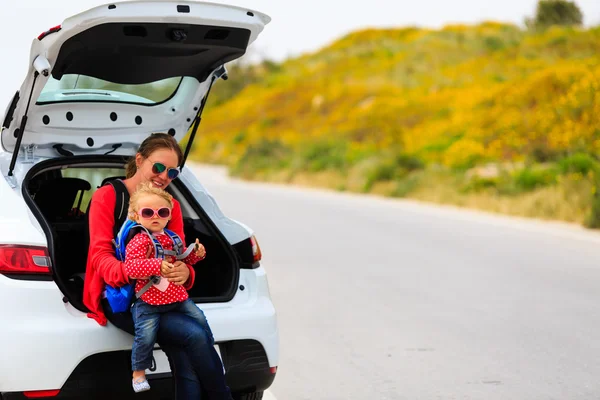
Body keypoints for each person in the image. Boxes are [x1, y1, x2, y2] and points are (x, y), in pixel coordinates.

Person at [83, 133, 233, 399]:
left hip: (162, 295)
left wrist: (186, 272)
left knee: (184, 350)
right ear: (140, 160)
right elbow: (100, 257)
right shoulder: (108, 197)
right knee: (194, 335)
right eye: (159, 167)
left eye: (172, 172)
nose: (164, 176)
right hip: (124, 297)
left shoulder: (170, 205)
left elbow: (177, 255)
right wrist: (141, 269)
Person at [124, 182, 211, 392]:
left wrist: (196, 253)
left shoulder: (171, 238)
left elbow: (182, 258)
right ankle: (138, 374)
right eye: (148, 212)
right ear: (136, 216)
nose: (155, 216)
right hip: (149, 301)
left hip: (176, 296)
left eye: (162, 212)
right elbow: (131, 267)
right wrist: (156, 265)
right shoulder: (140, 240)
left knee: (200, 319)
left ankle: (207, 351)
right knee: (145, 337)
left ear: (169, 215)